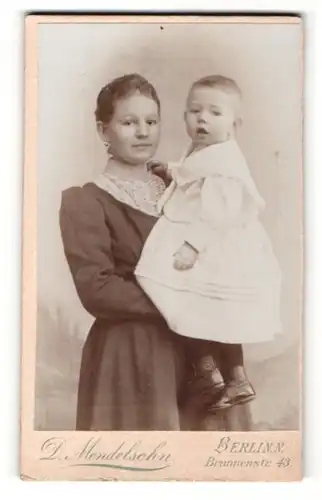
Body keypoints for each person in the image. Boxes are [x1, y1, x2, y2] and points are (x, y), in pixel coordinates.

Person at [135, 74, 282, 412]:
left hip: (217, 243)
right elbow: (194, 174)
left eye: (215, 112)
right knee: (206, 309)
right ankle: (221, 374)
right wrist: (172, 171)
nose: (202, 118)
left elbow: (219, 213)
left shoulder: (226, 165)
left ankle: (220, 373)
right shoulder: (211, 152)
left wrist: (192, 245)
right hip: (214, 241)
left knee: (191, 299)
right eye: (194, 110)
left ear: (234, 124)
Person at [59, 73, 186, 430]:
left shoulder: (181, 188)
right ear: (103, 131)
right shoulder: (85, 201)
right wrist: (182, 300)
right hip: (130, 355)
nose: (143, 132)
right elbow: (98, 289)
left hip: (196, 348)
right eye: (129, 122)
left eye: (151, 121)